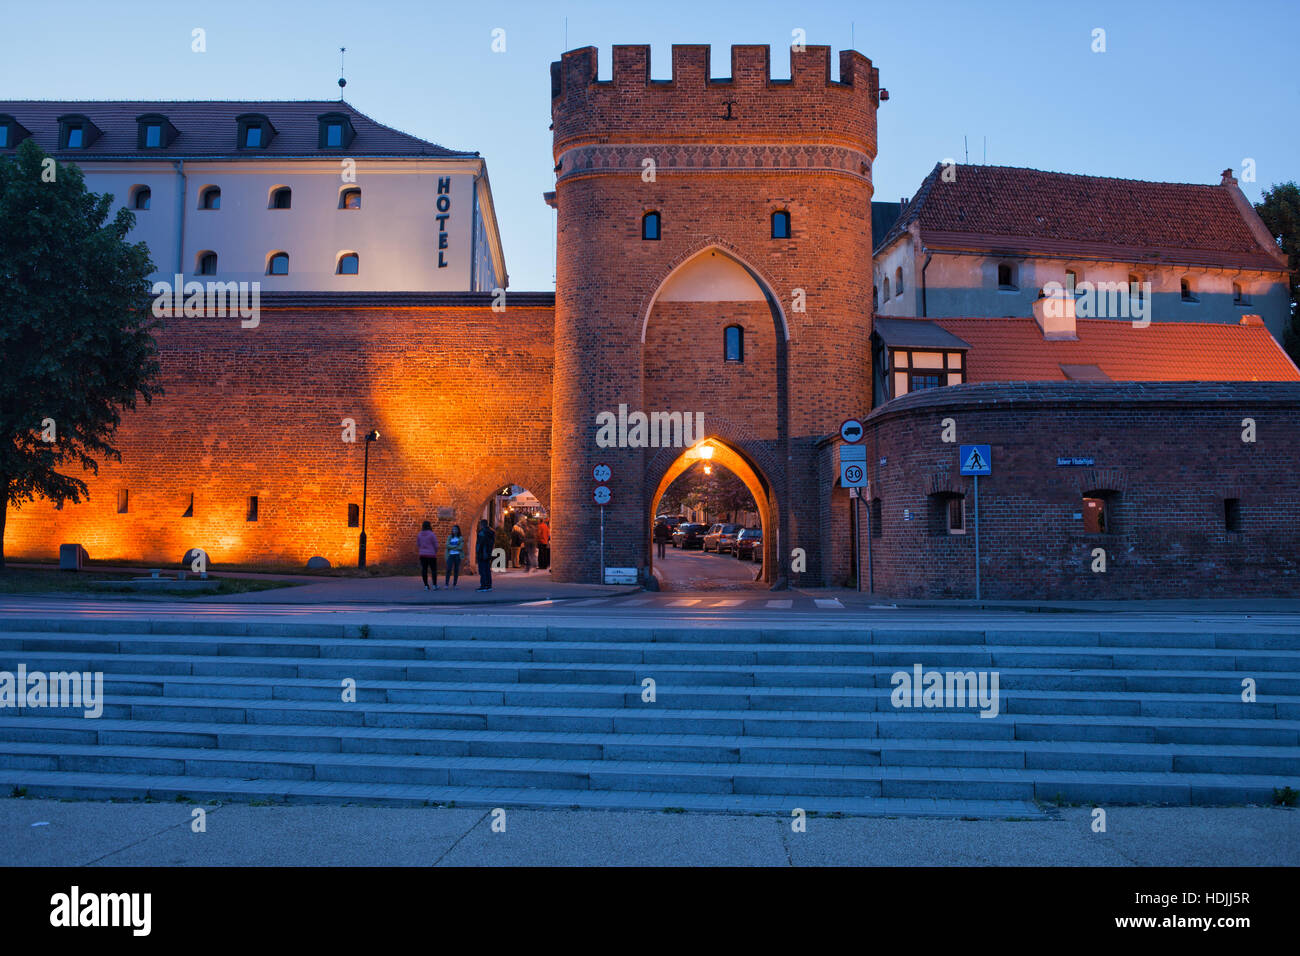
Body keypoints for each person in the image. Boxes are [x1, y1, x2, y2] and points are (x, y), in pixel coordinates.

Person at [417, 520, 439, 591]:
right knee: (433, 570)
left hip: (422, 555)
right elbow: (436, 545)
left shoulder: (419, 534)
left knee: (424, 570)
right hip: (431, 555)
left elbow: (418, 544)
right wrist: (435, 552)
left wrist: (422, 550)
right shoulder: (432, 534)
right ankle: (434, 585)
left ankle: (426, 585)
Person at [476, 518, 495, 591]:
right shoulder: (491, 532)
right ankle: (489, 585)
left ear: (481, 525)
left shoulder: (482, 532)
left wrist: (480, 552)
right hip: (488, 553)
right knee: (487, 569)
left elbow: (482, 544)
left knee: (482, 570)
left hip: (483, 553)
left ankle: (483, 585)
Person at [444, 524, 463, 589]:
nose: (454, 530)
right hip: (450, 555)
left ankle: (454, 584)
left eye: (455, 529)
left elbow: (460, 547)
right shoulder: (450, 537)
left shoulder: (460, 538)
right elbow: (447, 545)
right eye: (453, 529)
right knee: (448, 569)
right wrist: (455, 547)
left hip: (457, 555)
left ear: (458, 530)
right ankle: (446, 584)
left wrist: (451, 547)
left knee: (456, 570)